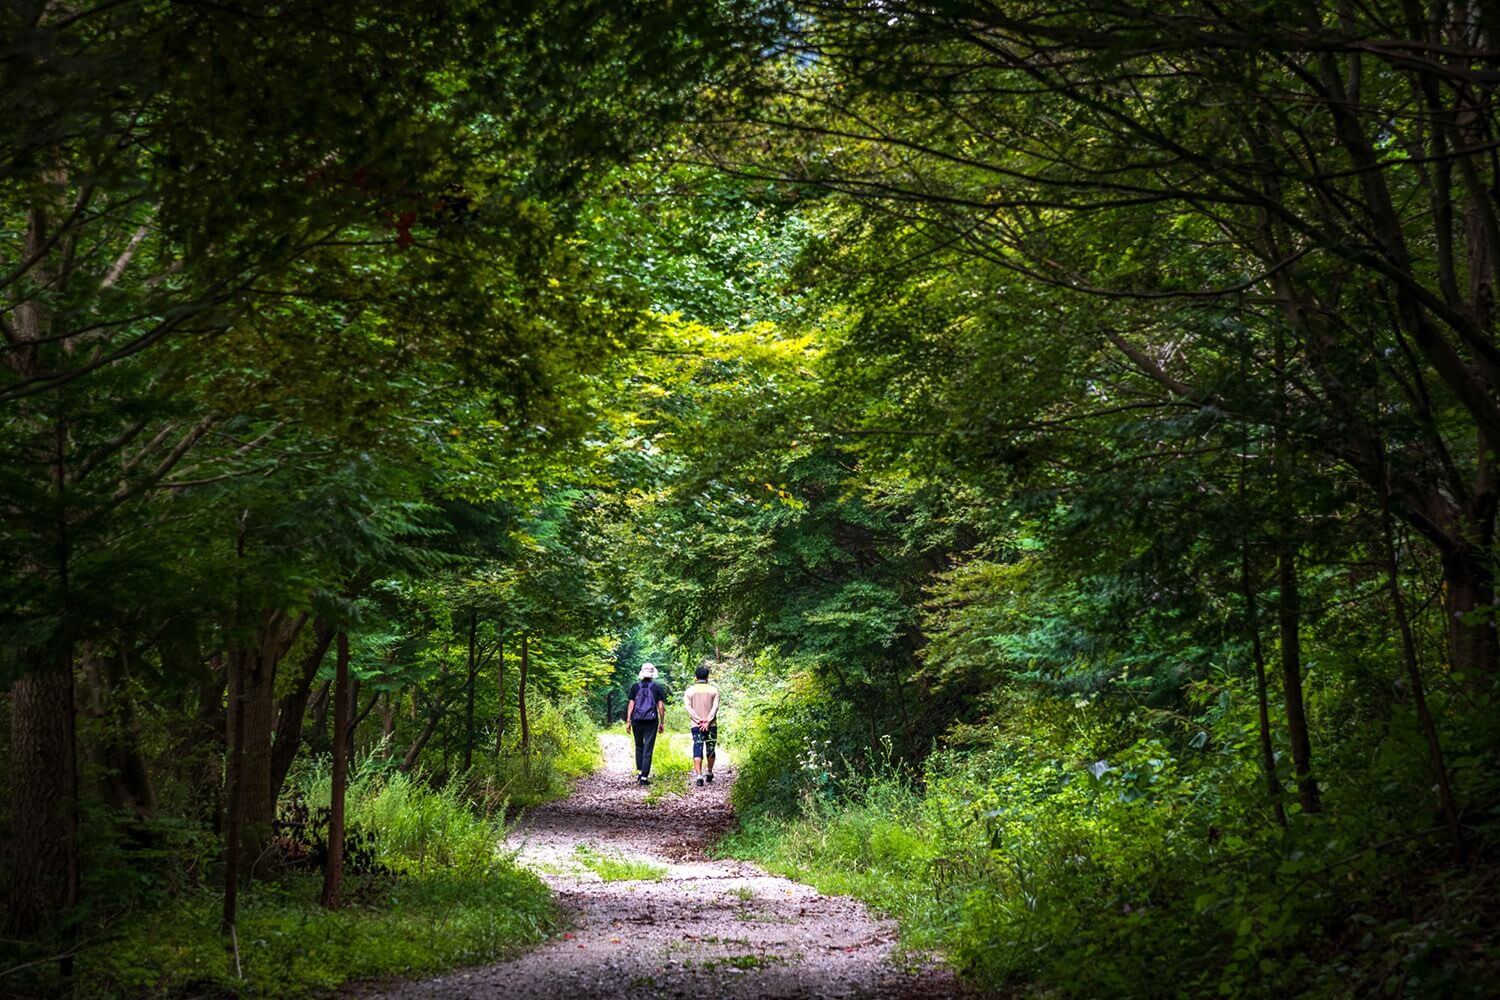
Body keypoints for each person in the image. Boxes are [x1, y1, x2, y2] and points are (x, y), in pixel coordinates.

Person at [625, 662, 667, 786]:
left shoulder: (635, 687)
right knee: (648, 748)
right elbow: (660, 706)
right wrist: (662, 722)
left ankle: (639, 771)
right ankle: (644, 777)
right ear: (653, 674)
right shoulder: (657, 687)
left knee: (639, 745)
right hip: (651, 721)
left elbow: (631, 704)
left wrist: (628, 721)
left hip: (636, 720)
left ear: (642, 673)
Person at [683, 665, 720, 787]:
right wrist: (708, 721)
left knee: (697, 747)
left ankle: (699, 776)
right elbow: (715, 708)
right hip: (711, 725)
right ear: (707, 676)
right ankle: (709, 772)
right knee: (710, 748)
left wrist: (699, 720)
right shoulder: (714, 690)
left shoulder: (689, 691)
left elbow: (689, 708)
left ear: (696, 677)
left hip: (696, 725)